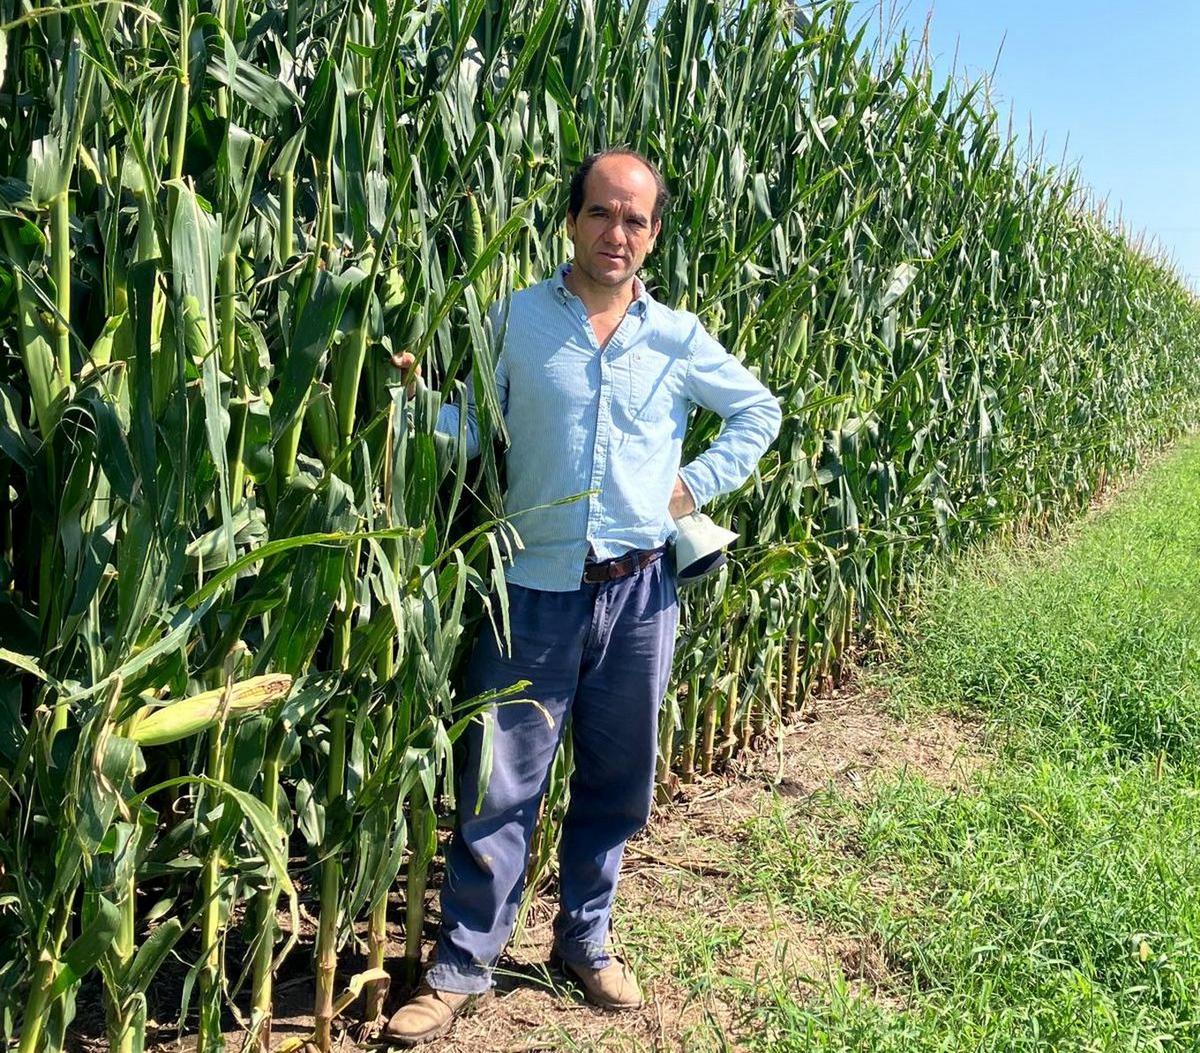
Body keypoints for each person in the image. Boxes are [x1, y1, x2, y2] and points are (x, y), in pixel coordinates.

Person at [382, 147, 782, 1046]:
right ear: (572, 219)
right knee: (498, 784)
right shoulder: (515, 318)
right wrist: (414, 401)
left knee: (617, 776)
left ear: (654, 235)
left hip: (640, 596)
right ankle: (460, 966)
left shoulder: (677, 336)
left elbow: (761, 410)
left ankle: (585, 939)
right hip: (530, 587)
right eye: (603, 212)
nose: (618, 233)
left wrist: (692, 485)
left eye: (637, 220)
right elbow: (472, 429)